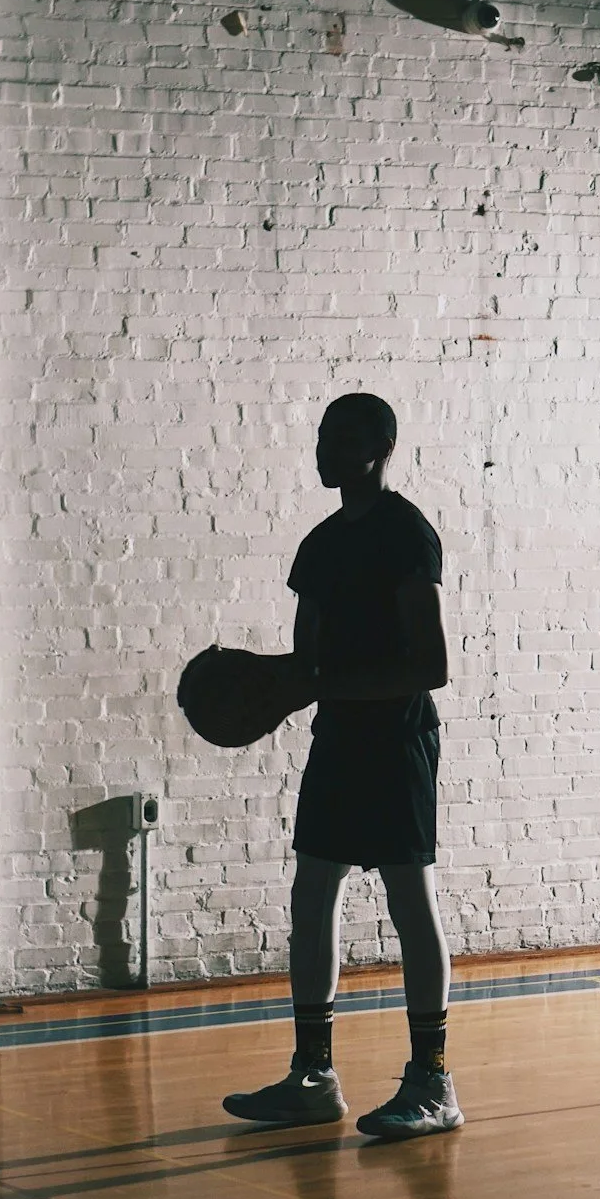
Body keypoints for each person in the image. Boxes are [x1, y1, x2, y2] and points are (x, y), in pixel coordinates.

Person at [222, 393, 462, 1139]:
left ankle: (433, 1082)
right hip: (339, 739)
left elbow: (431, 664)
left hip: (396, 738)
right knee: (312, 892)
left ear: (381, 447)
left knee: (409, 898)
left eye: (341, 437)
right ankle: (313, 1074)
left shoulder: (406, 534)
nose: (324, 449)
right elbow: (306, 663)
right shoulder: (320, 546)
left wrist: (326, 686)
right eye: (321, 436)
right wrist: (262, 691)